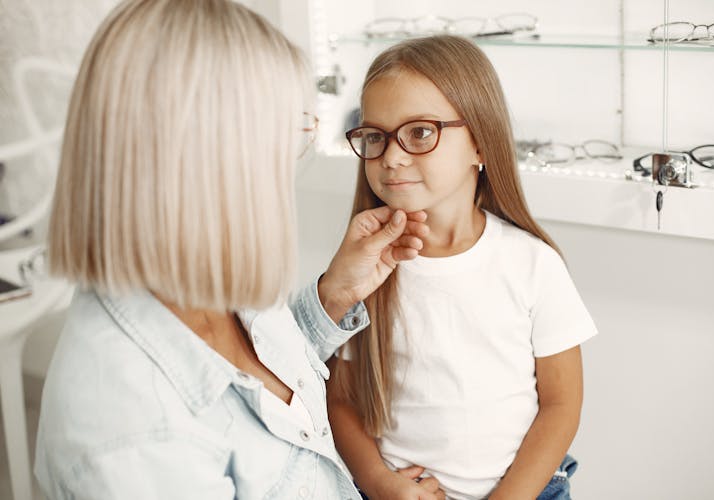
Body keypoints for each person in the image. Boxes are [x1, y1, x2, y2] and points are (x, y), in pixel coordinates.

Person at [33, 1, 430, 499]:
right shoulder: (136, 438)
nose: (292, 159)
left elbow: (258, 385)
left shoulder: (195, 269)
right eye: (288, 134)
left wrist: (332, 296)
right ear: (208, 158)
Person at [328, 35, 598, 500]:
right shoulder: (365, 269)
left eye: (419, 132)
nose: (391, 156)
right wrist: (379, 483)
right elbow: (343, 401)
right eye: (375, 136)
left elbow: (562, 405)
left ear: (480, 144)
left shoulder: (532, 263)